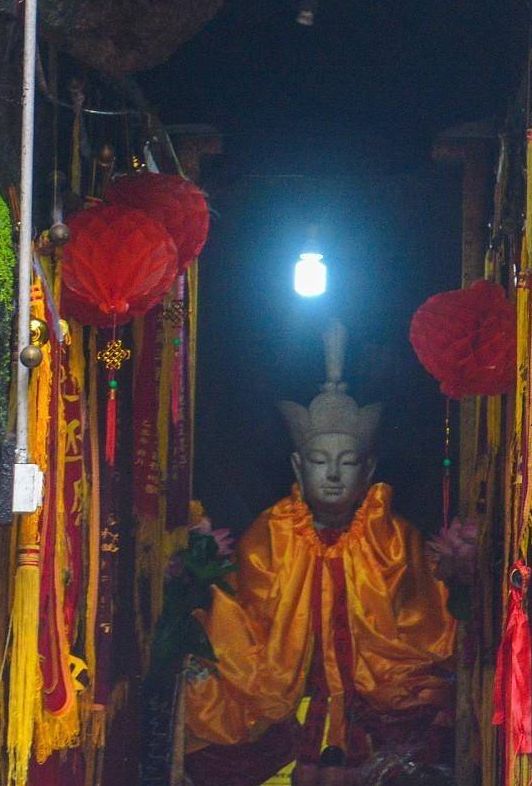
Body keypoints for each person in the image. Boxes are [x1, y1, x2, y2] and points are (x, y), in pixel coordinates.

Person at [182, 322, 455, 786]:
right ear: (296, 467)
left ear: (368, 469)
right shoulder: (270, 535)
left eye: (347, 463)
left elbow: (425, 629)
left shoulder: (393, 537)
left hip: (378, 708)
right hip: (287, 706)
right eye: (318, 461)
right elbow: (243, 627)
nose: (332, 475)